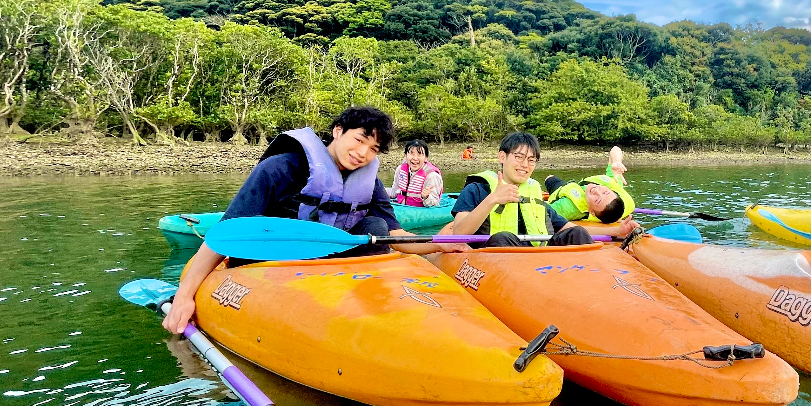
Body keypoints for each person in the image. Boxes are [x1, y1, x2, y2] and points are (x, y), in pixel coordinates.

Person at [163, 106, 462, 334]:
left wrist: (440, 245)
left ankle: (365, 315)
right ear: (338, 131)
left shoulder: (368, 183)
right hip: (271, 264)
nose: (363, 154)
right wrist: (184, 297)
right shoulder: (281, 168)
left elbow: (395, 235)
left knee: (376, 227)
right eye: (359, 140)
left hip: (328, 268)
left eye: (373, 149)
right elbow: (225, 235)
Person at [447, 132, 597, 247]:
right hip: (496, 256)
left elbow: (569, 228)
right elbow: (459, 234)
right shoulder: (477, 189)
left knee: (578, 232)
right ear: (502, 157)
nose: (525, 165)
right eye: (519, 157)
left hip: (538, 259)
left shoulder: (534, 195)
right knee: (503, 237)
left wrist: (617, 232)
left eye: (531, 160)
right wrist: (493, 199)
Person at [543, 146, 638, 238]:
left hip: (560, 190)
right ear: (612, 191)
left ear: (591, 211)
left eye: (597, 200)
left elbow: (542, 216)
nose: (596, 191)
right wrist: (617, 161)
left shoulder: (568, 207)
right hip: (575, 188)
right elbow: (615, 149)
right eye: (605, 192)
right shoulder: (615, 192)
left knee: (549, 178)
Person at [391, 139, 444, 208]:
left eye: (419, 154)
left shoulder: (432, 175)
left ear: (425, 158)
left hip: (420, 212)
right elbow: (394, 192)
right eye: (411, 153)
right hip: (401, 207)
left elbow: (435, 203)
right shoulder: (400, 170)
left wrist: (426, 197)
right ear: (405, 155)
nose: (415, 158)